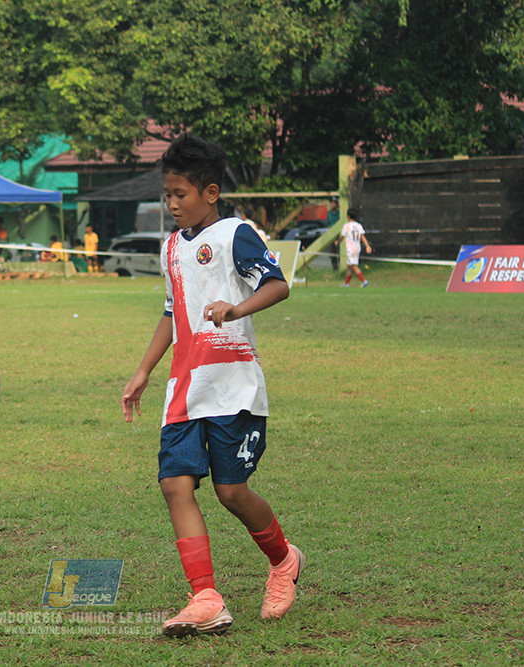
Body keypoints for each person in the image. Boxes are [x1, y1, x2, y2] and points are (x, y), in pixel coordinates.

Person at [120, 134, 301, 639]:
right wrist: (144, 370)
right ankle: (206, 597)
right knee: (174, 484)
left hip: (233, 386)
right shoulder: (171, 248)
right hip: (184, 388)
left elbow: (277, 284)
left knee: (231, 491)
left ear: (211, 192)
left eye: (181, 194)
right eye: (168, 195)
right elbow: (173, 312)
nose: (172, 204)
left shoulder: (236, 234)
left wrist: (235, 308)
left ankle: (284, 562)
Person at [334, 208, 373, 287]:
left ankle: (364, 281)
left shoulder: (346, 226)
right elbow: (362, 236)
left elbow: (342, 237)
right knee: (349, 266)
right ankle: (346, 283)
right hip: (357, 248)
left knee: (354, 266)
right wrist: (367, 246)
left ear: (348, 216)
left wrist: (337, 242)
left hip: (350, 249)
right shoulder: (359, 225)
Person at [325, 196, 341, 271]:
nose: (332, 204)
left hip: (338, 235)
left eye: (334, 203)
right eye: (331, 202)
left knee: (339, 252)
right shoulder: (328, 214)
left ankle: (341, 269)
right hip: (331, 236)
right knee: (332, 253)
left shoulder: (339, 213)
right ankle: (335, 269)